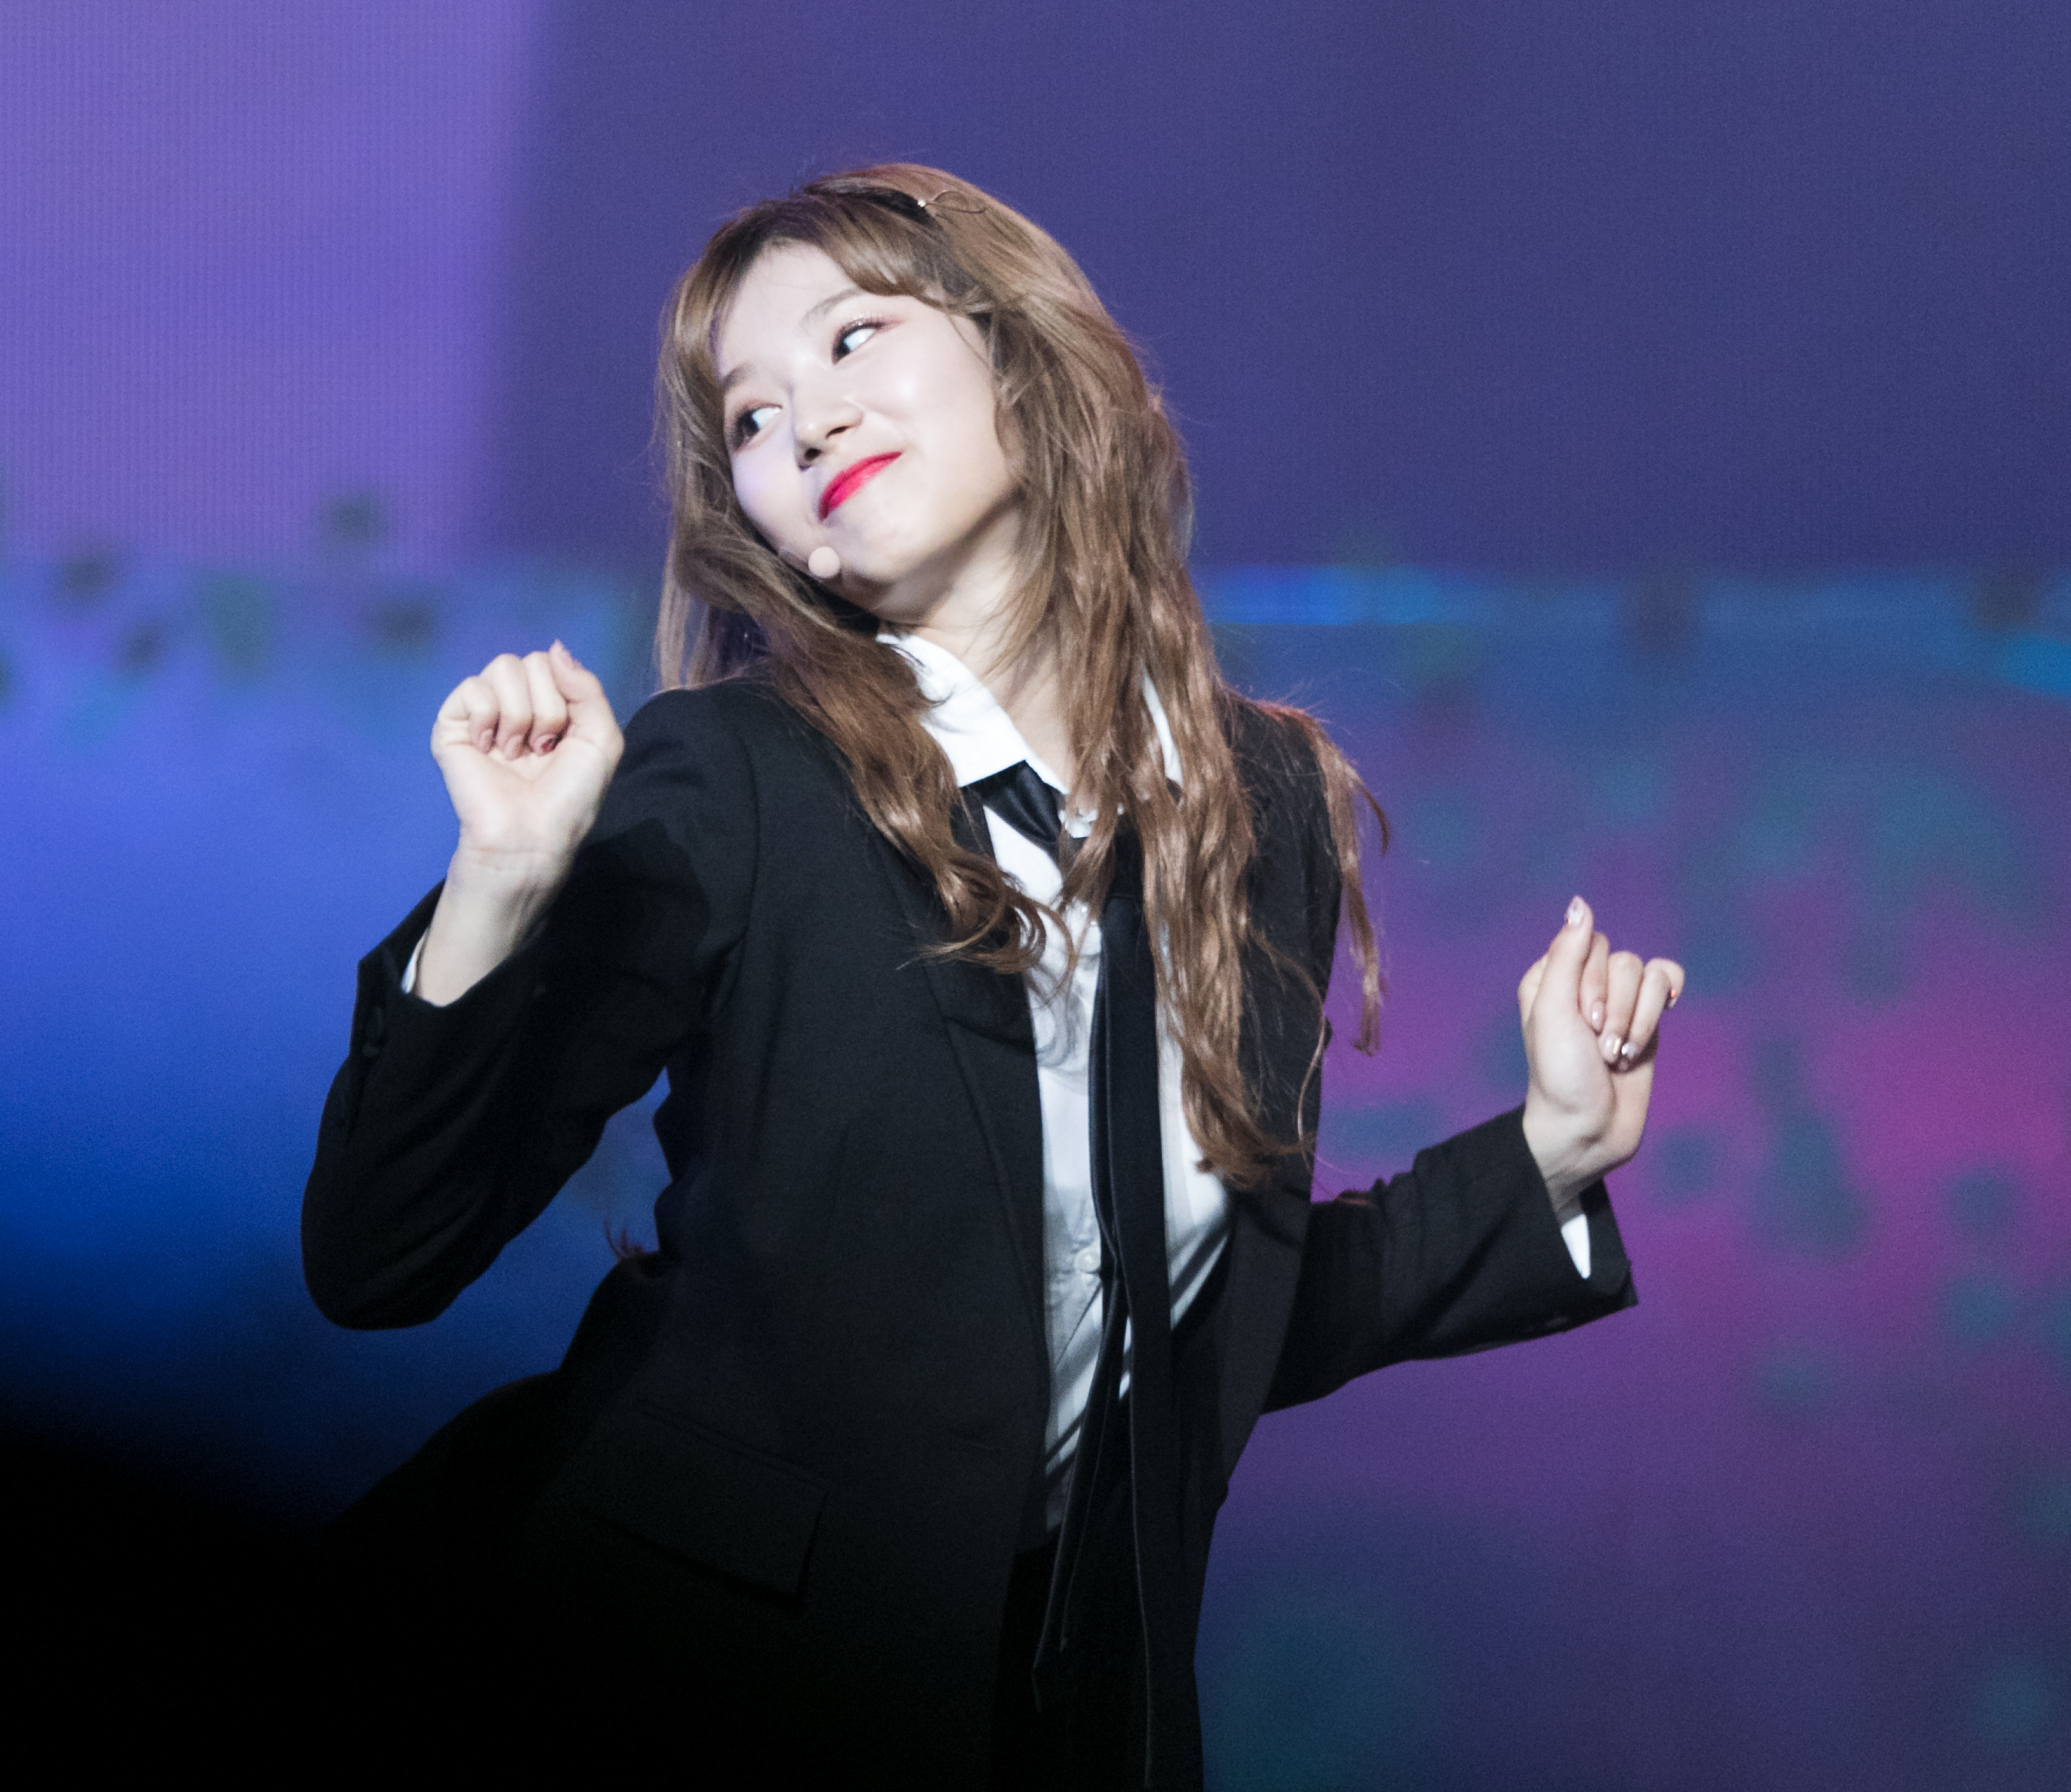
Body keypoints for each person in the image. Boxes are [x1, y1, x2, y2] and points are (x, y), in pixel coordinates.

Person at [302, 164, 1681, 1787]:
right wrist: (504, 887)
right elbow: (381, 1253)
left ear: (1021, 359)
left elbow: (1185, 1333)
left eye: (852, 339)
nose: (807, 422)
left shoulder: (1262, 807)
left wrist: (1548, 1161)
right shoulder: (736, 780)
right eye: (751, 419)